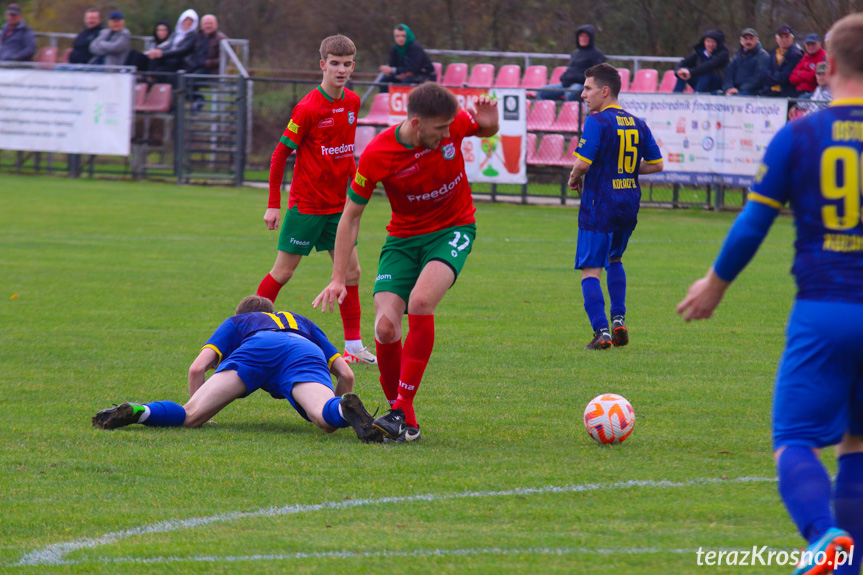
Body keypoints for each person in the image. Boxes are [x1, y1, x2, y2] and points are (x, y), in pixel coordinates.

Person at [677, 13, 863, 574]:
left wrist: (715, 284)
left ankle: (823, 536)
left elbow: (753, 224)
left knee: (796, 438)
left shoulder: (802, 133)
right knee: (857, 442)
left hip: (824, 310)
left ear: (826, 68)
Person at [313, 82, 499, 442]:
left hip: (453, 229)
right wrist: (338, 277)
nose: (449, 133)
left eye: (450, 127)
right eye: (440, 129)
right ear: (416, 123)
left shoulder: (454, 123)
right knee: (384, 330)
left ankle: (402, 409)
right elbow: (350, 217)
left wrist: (490, 124)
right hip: (402, 240)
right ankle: (400, 415)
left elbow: (483, 127)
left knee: (421, 302)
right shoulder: (378, 154)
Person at [92, 295, 382, 443]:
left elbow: (197, 368)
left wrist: (199, 412)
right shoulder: (301, 321)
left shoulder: (238, 323)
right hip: (302, 351)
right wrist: (330, 411)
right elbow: (347, 374)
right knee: (323, 416)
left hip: (257, 348)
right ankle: (343, 410)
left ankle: (142, 410)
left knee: (190, 415)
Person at [256, 35, 375, 366]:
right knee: (283, 272)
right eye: (334, 63)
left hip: (339, 207)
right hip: (306, 205)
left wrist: (355, 185)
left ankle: (353, 346)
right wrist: (274, 203)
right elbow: (280, 154)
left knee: (352, 272)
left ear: (353, 66)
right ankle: (246, 330)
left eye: (347, 63)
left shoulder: (351, 102)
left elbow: (345, 151)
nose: (341, 69)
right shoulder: (308, 107)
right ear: (322, 65)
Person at [568, 63, 663, 350]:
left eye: (588, 89)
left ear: (605, 91)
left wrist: (573, 177)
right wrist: (629, 170)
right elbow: (657, 165)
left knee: (590, 269)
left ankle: (602, 332)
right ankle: (619, 318)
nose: (583, 95)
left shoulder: (596, 122)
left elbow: (583, 163)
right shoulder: (638, 123)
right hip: (628, 202)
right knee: (616, 260)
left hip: (600, 204)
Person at [537, 24, 606, 101]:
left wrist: (577, 78)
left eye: (586, 36)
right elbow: (570, 70)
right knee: (541, 91)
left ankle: (570, 112)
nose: (583, 39)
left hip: (582, 86)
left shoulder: (596, 54)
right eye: (581, 36)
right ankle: (544, 112)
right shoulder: (575, 53)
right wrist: (564, 77)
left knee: (571, 92)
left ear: (591, 38)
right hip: (567, 85)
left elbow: (596, 76)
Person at [378, 24, 434, 91]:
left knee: (406, 82)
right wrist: (393, 72)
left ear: (408, 36)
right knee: (384, 81)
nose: (400, 39)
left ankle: (408, 101)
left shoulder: (415, 47)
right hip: (403, 75)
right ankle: (386, 100)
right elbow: (392, 64)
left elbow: (412, 68)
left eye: (403, 36)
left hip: (422, 76)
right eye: (397, 36)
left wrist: (393, 70)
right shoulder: (395, 49)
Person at [146, 8, 198, 76]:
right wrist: (156, 51)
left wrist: (162, 54)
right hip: (170, 56)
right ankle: (148, 80)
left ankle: (155, 80)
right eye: (186, 20)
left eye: (190, 20)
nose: (187, 22)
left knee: (166, 64)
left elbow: (183, 50)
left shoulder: (193, 35)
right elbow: (167, 45)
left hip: (181, 59)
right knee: (152, 58)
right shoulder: (176, 34)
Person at [759, 24, 804, 97]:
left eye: (787, 37)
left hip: (787, 93)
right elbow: (764, 73)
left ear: (792, 39)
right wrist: (772, 78)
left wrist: (771, 77)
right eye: (781, 37)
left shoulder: (796, 55)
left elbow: (785, 77)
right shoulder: (773, 52)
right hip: (770, 91)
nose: (784, 40)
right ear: (777, 39)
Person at [723, 28, 770, 96]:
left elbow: (758, 79)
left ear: (756, 40)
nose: (748, 41)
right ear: (741, 41)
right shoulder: (737, 55)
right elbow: (729, 73)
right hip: (734, 90)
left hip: (752, 92)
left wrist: (740, 89)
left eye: (751, 39)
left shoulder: (762, 56)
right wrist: (729, 87)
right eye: (745, 39)